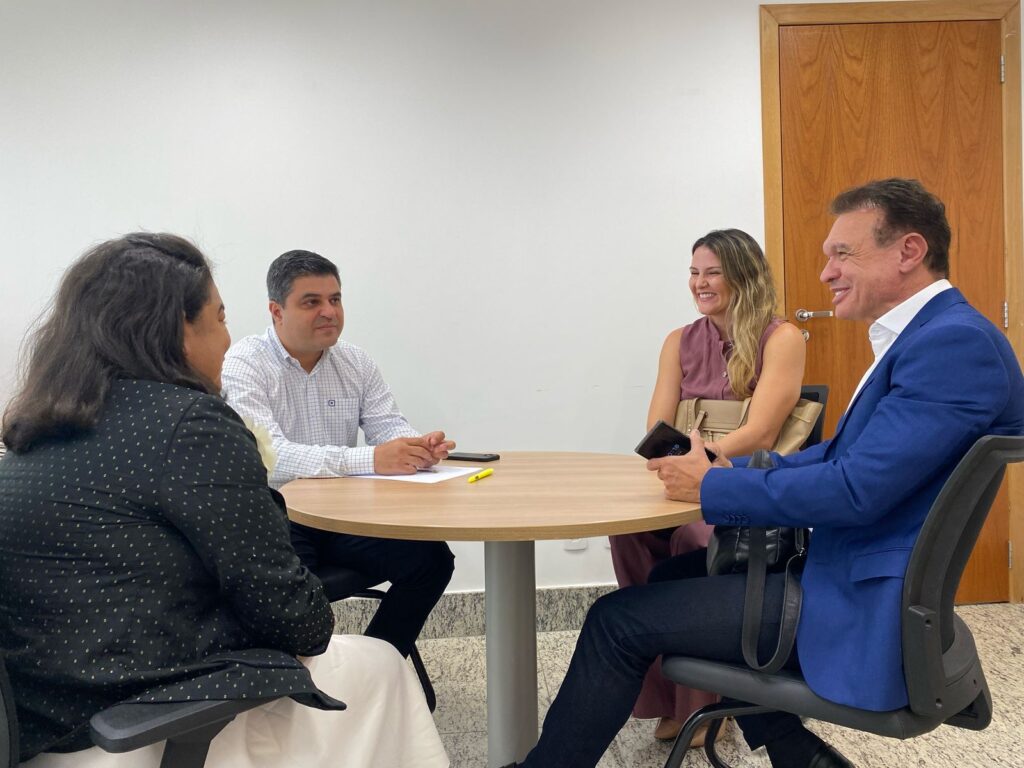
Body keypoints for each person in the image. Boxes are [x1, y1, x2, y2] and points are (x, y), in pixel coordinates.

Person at [507, 178, 1024, 768]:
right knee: (674, 574)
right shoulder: (934, 338)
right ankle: (792, 748)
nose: (825, 272)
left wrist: (716, 485)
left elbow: (855, 490)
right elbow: (839, 458)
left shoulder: (953, 346)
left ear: (908, 251)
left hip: (859, 602)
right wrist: (749, 467)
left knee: (613, 622)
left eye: (842, 254)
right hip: (847, 574)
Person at [0, 234, 448, 768]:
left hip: (38, 720)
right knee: (379, 664)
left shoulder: (31, 432)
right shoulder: (192, 420)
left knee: (427, 559)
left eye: (336, 299)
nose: (227, 337)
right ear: (177, 332)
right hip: (142, 715)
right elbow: (300, 624)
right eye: (219, 316)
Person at [608, 229, 805, 743]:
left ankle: (704, 707)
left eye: (712, 272)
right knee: (627, 535)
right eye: (694, 272)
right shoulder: (678, 341)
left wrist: (705, 466)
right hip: (685, 471)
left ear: (743, 274)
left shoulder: (781, 338)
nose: (700, 282)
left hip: (743, 483)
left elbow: (761, 432)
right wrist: (677, 467)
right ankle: (665, 697)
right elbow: (658, 424)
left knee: (693, 539)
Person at [220, 250, 455, 660]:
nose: (329, 312)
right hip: (280, 518)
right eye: (312, 302)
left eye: (336, 299)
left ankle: (380, 664)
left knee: (431, 559)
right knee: (293, 599)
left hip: (346, 515)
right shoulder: (244, 364)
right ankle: (306, 676)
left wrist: (418, 448)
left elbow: (387, 426)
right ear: (276, 311)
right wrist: (370, 459)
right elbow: (270, 459)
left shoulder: (355, 361)